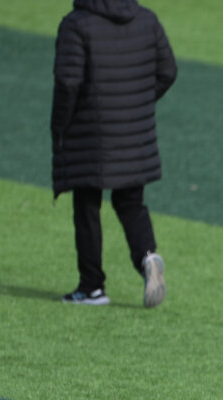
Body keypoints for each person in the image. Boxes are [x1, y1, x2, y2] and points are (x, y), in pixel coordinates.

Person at [51, 0, 177, 307]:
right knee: (131, 202)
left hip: (90, 128)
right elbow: (168, 71)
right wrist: (137, 103)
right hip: (133, 130)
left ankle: (91, 287)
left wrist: (59, 125)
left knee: (86, 204)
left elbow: (68, 82)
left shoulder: (76, 24)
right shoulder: (146, 19)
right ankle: (148, 257)